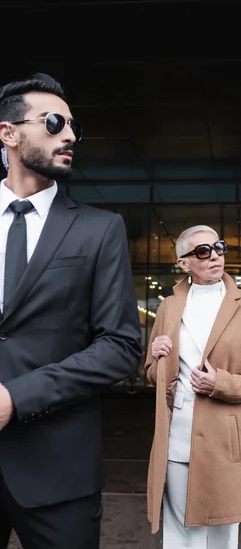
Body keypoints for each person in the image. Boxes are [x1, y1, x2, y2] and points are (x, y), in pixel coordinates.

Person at [0, 72, 141, 548]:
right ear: (9, 133)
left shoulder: (100, 229)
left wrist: (16, 398)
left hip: (59, 471)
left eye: (74, 127)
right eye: (56, 123)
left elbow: (121, 346)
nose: (71, 136)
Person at [145, 225, 241, 548]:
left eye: (218, 248)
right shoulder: (168, 308)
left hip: (226, 439)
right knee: (179, 531)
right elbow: (152, 374)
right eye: (203, 252)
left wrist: (221, 383)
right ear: (184, 263)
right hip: (177, 435)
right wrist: (156, 359)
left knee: (223, 533)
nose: (215, 257)